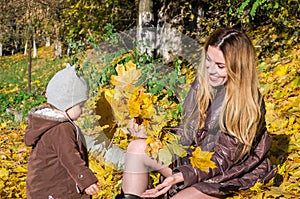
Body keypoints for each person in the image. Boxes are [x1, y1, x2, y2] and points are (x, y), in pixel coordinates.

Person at [117, 28, 277, 199]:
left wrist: (182, 175)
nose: (211, 70)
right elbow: (185, 132)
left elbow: (222, 160)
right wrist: (152, 134)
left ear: (238, 68)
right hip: (196, 161)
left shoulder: (246, 103)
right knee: (137, 149)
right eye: (208, 60)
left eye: (220, 66)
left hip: (229, 172)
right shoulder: (202, 85)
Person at [24, 64, 100, 199]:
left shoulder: (49, 123)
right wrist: (86, 181)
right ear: (67, 103)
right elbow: (70, 157)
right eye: (80, 106)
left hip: (44, 187)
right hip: (55, 189)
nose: (82, 110)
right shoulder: (61, 128)